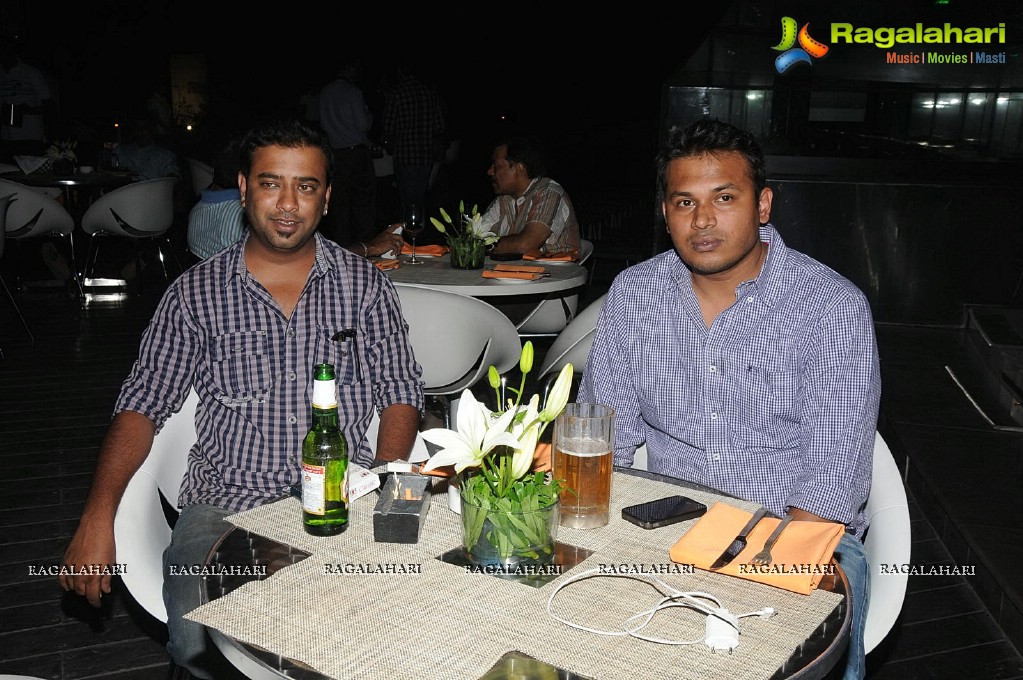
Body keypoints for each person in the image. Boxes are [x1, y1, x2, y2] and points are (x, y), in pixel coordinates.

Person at [58, 118, 425, 679]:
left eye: (305, 187)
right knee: (198, 642)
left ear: (325, 199)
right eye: (271, 183)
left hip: (341, 500)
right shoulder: (194, 294)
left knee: (375, 639)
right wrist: (97, 514)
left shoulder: (364, 286)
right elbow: (142, 406)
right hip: (225, 506)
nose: (287, 203)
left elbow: (399, 394)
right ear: (244, 188)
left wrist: (390, 499)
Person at [578, 119, 880, 680]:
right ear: (665, 214)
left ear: (763, 205)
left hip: (793, 544)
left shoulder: (831, 308)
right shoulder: (635, 295)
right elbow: (604, 445)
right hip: (665, 534)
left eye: (724, 198)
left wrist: (733, 572)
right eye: (683, 202)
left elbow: (832, 488)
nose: (703, 221)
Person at [480, 136, 581, 257]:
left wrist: (484, 246)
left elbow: (525, 245)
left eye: (496, 166)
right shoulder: (504, 199)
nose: (490, 172)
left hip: (554, 273)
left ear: (519, 168)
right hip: (517, 272)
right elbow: (475, 237)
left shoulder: (549, 193)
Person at [318, 58, 376, 246]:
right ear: (349, 69)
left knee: (339, 203)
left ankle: (342, 245)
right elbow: (363, 124)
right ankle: (365, 246)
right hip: (355, 153)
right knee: (363, 202)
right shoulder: (353, 92)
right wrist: (369, 114)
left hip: (335, 154)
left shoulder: (325, 92)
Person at [381, 61, 445, 217]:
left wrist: (389, 142)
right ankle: (419, 231)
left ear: (400, 72)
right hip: (425, 155)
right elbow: (439, 126)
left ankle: (410, 234)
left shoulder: (396, 93)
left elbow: (388, 126)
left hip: (405, 155)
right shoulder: (428, 93)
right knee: (420, 197)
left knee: (407, 199)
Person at [0, 26, 57, 157]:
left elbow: (49, 106)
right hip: (5, 138)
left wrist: (27, 110)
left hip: (30, 138)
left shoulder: (31, 73)